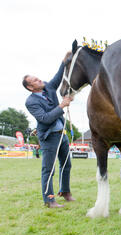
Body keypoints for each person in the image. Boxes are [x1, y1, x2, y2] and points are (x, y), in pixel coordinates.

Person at [23, 52, 76, 208]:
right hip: (49, 137)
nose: (39, 79)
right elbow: (45, 118)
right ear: (30, 87)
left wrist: (63, 62)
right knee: (49, 170)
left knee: (66, 165)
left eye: (37, 77)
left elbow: (57, 78)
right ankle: (49, 199)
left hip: (62, 135)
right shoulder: (31, 102)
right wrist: (62, 105)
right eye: (35, 80)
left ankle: (65, 192)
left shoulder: (49, 88)